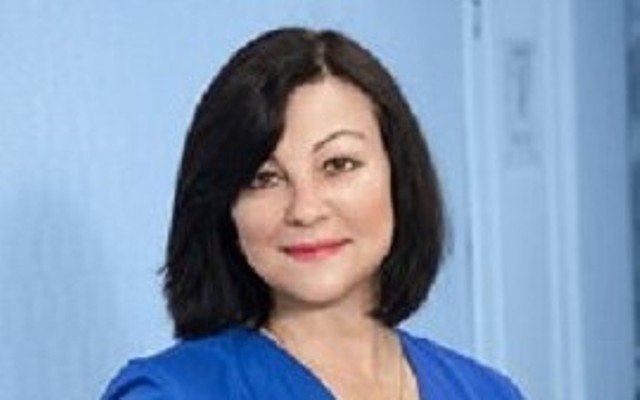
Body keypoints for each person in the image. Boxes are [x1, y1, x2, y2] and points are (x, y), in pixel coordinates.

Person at [102, 27, 524, 399]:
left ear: (398, 175)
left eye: (338, 165)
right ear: (225, 207)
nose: (305, 209)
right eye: (264, 178)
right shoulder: (173, 393)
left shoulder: (488, 392)